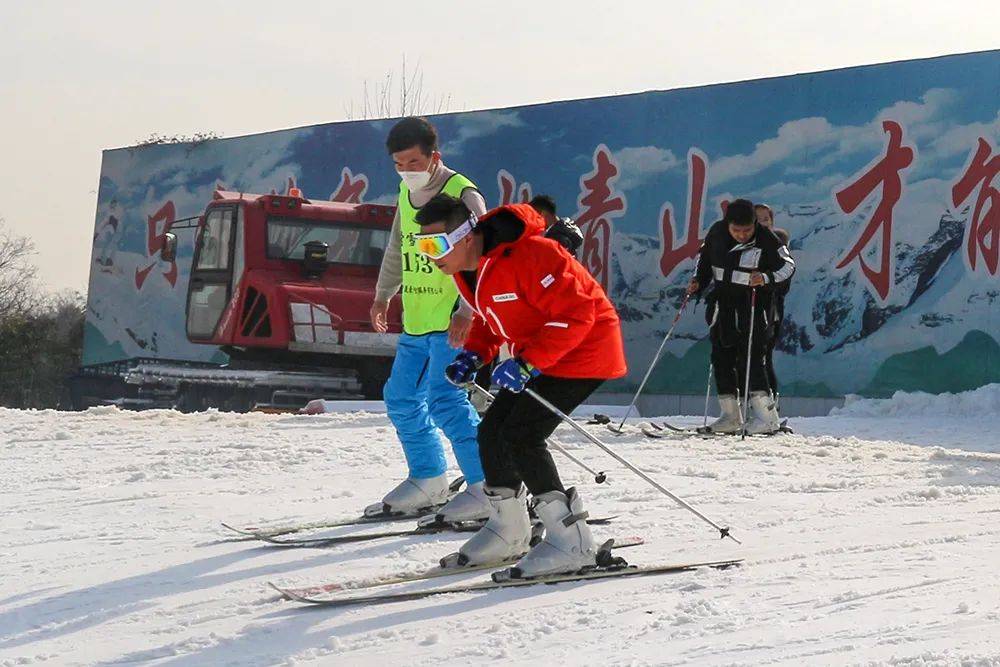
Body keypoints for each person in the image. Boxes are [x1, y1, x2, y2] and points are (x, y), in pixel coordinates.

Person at [413, 195, 627, 578]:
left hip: (585, 351)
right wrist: (475, 354)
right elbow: (489, 314)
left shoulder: (535, 255)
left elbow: (578, 314)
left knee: (523, 435)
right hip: (541, 353)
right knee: (492, 432)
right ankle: (508, 530)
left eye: (435, 244)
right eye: (421, 245)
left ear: (465, 235)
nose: (429, 255)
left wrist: (529, 363)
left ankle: (573, 543)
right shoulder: (470, 270)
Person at [366, 117, 487, 522]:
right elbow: (398, 245)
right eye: (398, 164)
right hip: (416, 320)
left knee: (446, 401)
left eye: (413, 161)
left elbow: (483, 256)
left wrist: (466, 311)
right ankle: (428, 478)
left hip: (451, 323)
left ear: (435, 157)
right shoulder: (405, 191)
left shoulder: (463, 193)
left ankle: (487, 487)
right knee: (400, 398)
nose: (406, 171)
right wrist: (384, 294)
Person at [686, 199, 794, 435]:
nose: (742, 235)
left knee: (752, 358)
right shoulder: (716, 233)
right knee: (721, 356)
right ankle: (730, 415)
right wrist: (698, 282)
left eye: (747, 230)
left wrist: (765, 278)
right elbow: (703, 261)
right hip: (723, 304)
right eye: (737, 230)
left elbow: (787, 267)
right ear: (728, 224)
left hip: (754, 305)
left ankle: (767, 418)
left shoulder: (767, 239)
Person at [754, 203, 791, 406]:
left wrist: (765, 280)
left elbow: (784, 281)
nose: (762, 224)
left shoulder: (779, 248)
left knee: (763, 357)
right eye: (757, 220)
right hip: (743, 310)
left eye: (766, 220)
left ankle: (770, 408)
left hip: (770, 310)